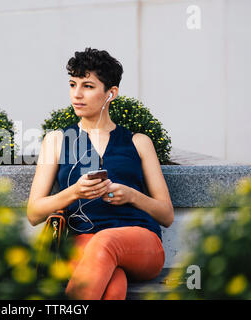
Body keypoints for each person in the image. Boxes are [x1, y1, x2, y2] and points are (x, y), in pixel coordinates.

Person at [26, 48, 174, 300]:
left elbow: (166, 215)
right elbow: (34, 213)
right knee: (114, 283)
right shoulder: (57, 140)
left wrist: (131, 195)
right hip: (81, 241)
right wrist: (74, 192)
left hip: (139, 241)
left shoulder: (139, 142)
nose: (77, 94)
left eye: (88, 86)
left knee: (106, 242)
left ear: (111, 93)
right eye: (73, 84)